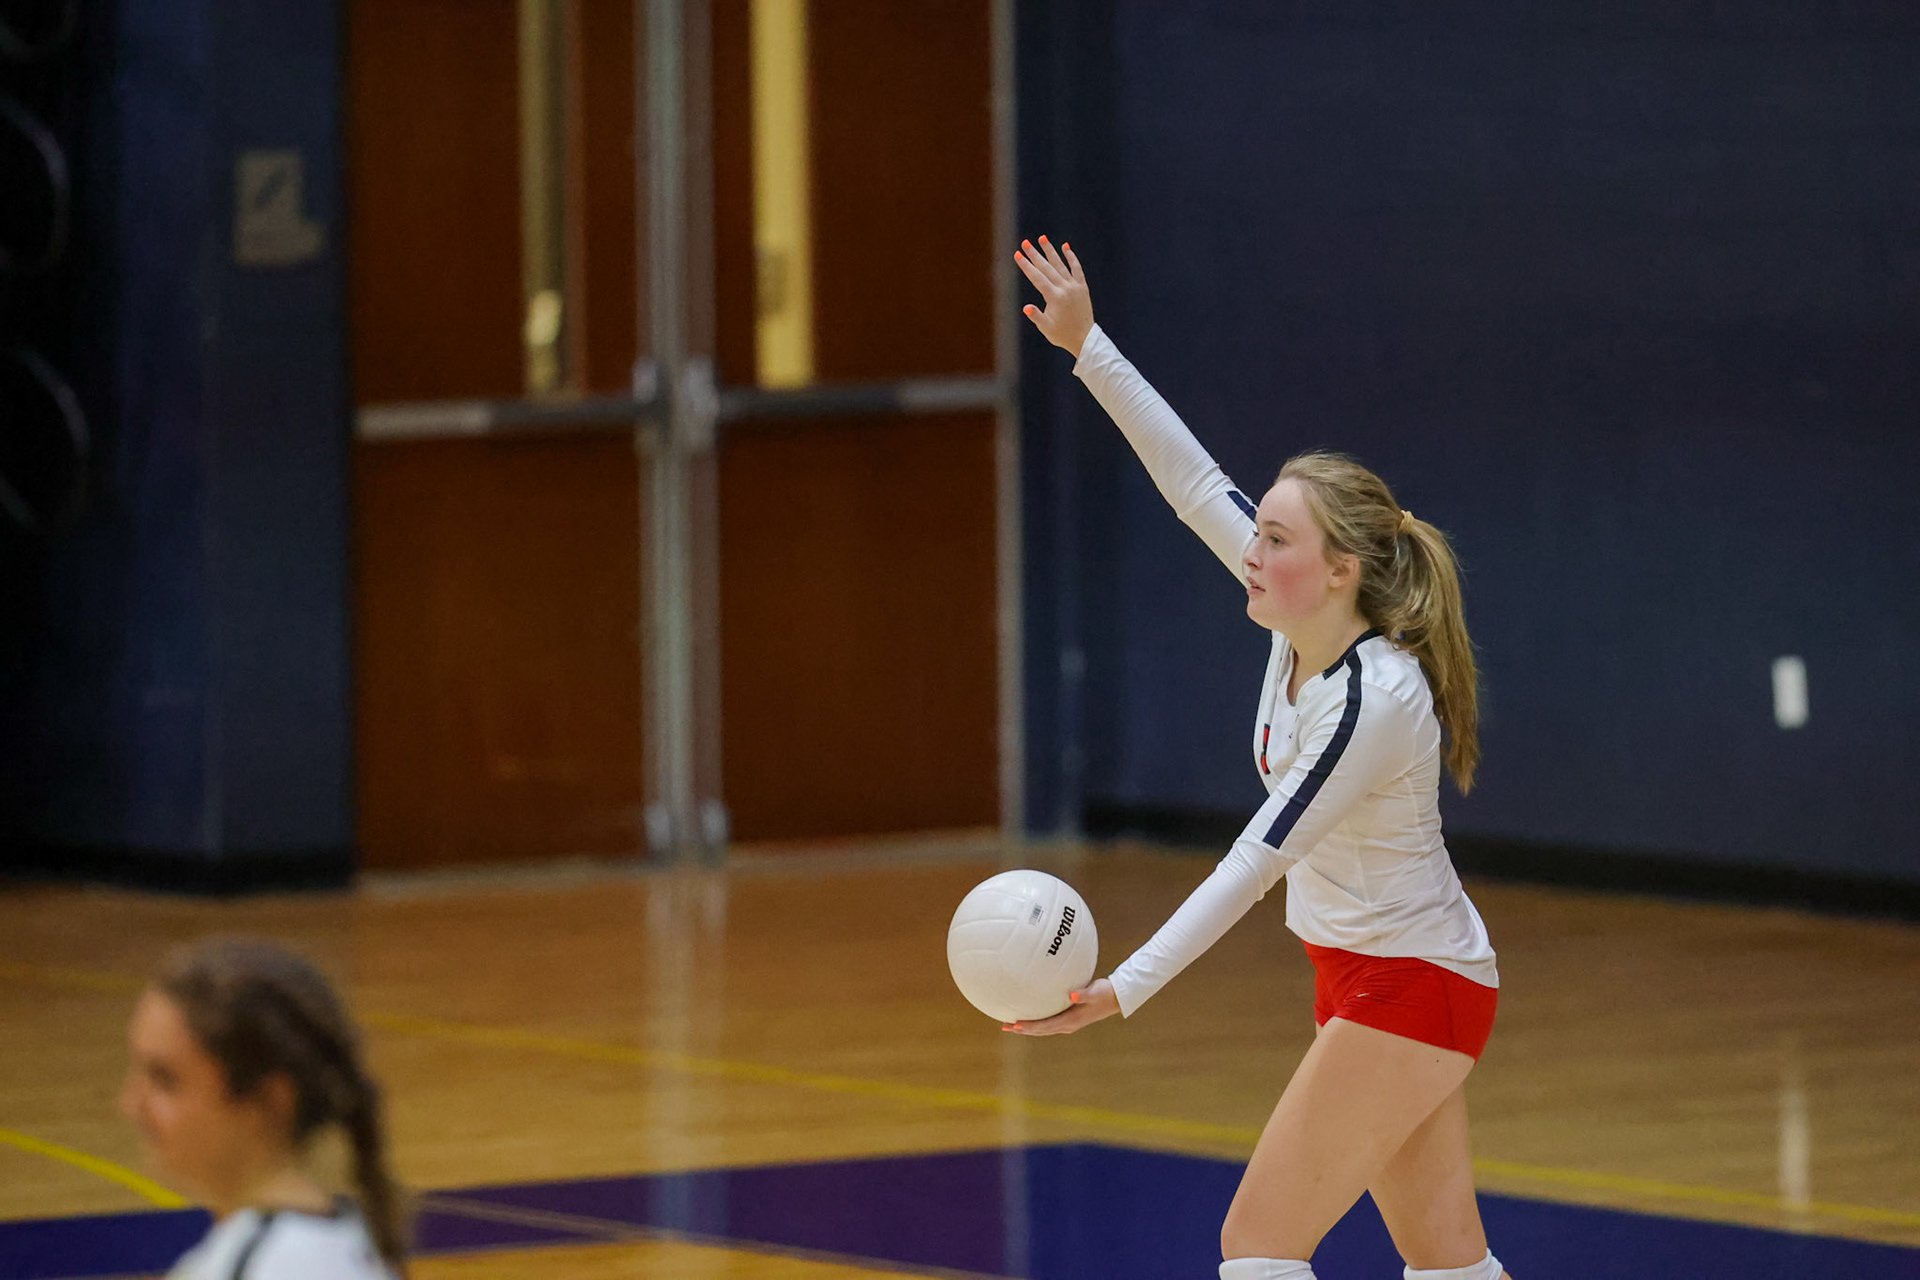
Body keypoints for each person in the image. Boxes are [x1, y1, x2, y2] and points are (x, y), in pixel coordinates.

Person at [1009, 235, 1513, 1280]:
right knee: (1450, 1262)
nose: (1253, 548)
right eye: (1260, 531)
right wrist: (1086, 343)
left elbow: (1255, 860)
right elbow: (1193, 479)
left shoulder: (1378, 696)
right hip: (1371, 974)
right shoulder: (1299, 627)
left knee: (1259, 1244)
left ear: (1338, 571)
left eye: (1276, 538)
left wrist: (1120, 989)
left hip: (1415, 982)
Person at [119, 937, 406, 1279]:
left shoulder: (265, 1264)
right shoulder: (338, 1243)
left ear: (270, 1101)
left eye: (165, 1080)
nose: (130, 1104)